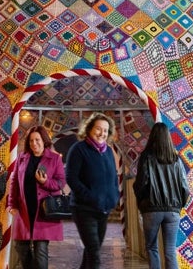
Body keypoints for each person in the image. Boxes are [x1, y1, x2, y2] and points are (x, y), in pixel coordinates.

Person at [65, 112, 120, 269]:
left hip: (103, 210)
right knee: (94, 253)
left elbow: (113, 177)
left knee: (91, 252)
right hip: (84, 209)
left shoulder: (108, 151)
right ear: (89, 128)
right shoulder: (78, 149)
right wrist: (91, 197)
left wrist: (114, 196)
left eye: (105, 130)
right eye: (98, 129)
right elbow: (71, 178)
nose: (102, 133)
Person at [8, 124, 66, 269]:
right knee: (21, 247)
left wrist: (45, 182)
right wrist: (12, 204)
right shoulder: (22, 158)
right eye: (31, 141)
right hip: (24, 210)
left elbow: (60, 182)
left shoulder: (54, 158)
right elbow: (14, 183)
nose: (34, 143)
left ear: (44, 140)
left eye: (37, 140)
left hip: (43, 211)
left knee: (40, 251)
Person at [134, 122, 189, 269]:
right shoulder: (176, 159)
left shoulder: (146, 157)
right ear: (168, 138)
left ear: (152, 137)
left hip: (151, 209)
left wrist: (141, 203)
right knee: (170, 251)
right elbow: (185, 187)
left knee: (152, 248)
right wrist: (178, 206)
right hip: (173, 211)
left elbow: (140, 183)